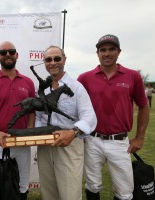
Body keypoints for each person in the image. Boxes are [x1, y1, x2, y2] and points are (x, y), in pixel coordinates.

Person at [78, 34, 150, 200]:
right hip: (92, 140)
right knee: (92, 185)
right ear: (97, 53)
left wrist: (139, 137)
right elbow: (77, 107)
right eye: (103, 50)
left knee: (125, 191)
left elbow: (143, 105)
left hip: (119, 142)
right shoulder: (85, 78)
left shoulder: (132, 76)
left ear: (119, 52)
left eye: (112, 49)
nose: (107, 53)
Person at [35, 45, 97, 200]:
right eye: (48, 59)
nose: (53, 63)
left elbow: (90, 117)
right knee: (49, 193)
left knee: (70, 194)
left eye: (57, 58)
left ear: (64, 60)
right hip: (45, 146)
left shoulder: (76, 87)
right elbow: (38, 116)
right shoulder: (43, 89)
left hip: (69, 145)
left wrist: (73, 132)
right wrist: (37, 136)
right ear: (44, 62)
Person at [0, 41, 35, 200]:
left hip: (22, 144)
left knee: (22, 185)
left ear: (16, 55)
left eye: (11, 51)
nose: (8, 54)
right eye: (3, 52)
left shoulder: (28, 82)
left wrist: (28, 134)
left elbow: (31, 112)